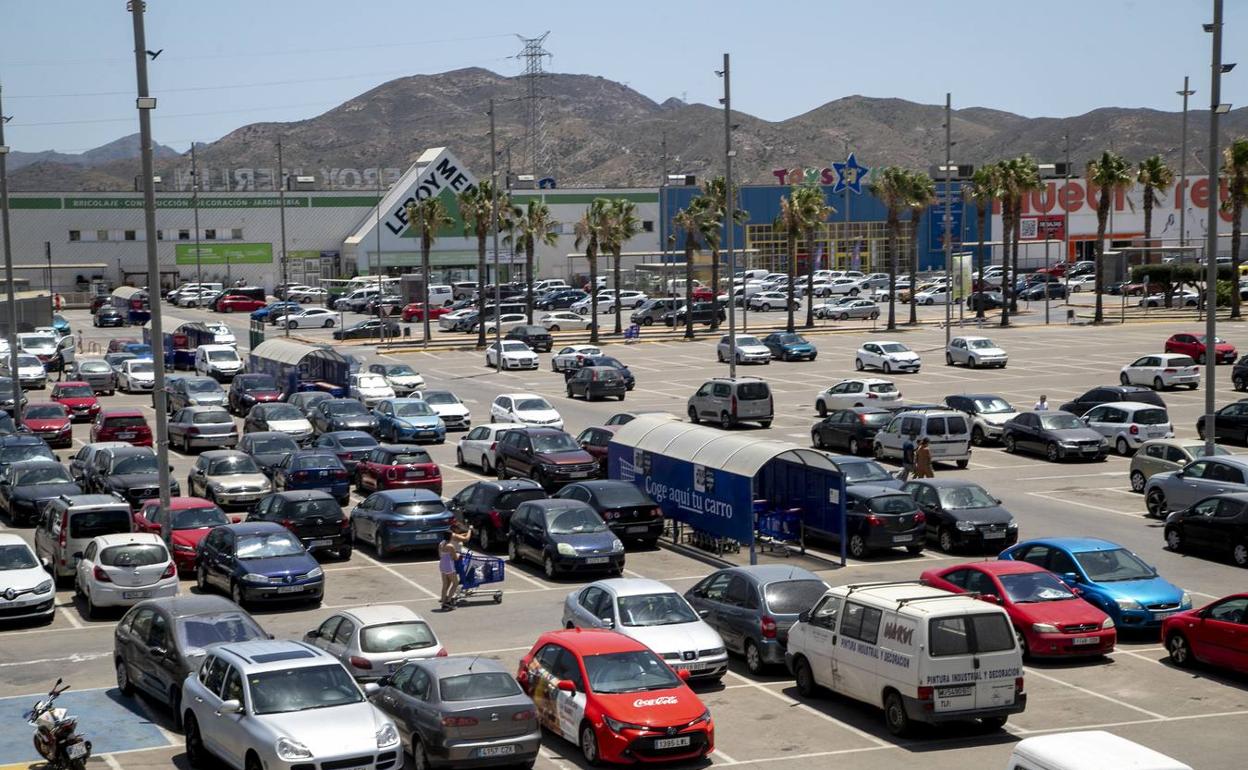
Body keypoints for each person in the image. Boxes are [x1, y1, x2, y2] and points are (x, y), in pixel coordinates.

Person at [438, 525, 472, 610]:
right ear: (450, 537)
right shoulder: (450, 546)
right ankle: (448, 602)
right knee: (455, 583)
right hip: (449, 566)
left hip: (442, 565)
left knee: (445, 584)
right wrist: (458, 554)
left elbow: (440, 555)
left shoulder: (441, 544)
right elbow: (455, 558)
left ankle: (443, 601)